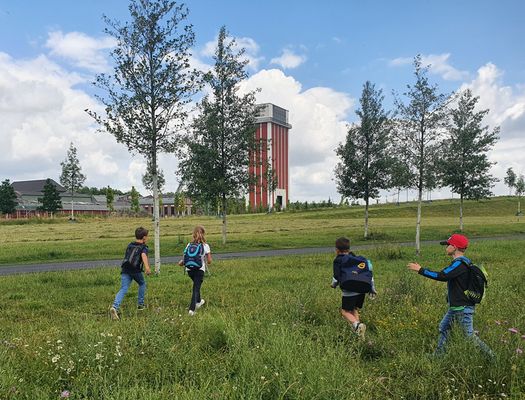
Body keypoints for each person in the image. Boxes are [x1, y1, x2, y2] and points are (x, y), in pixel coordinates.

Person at [407, 233, 493, 357]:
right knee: (444, 327)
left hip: (462, 307)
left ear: (454, 247)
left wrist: (420, 270)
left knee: (469, 336)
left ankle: (492, 357)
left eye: (448, 245)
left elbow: (442, 276)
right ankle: (439, 355)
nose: (446, 247)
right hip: (456, 307)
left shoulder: (459, 264)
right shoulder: (464, 263)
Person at [331, 237, 376, 339]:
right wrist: (372, 288)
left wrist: (333, 285)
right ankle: (359, 333)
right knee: (354, 309)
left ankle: (357, 325)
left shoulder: (338, 260)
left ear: (337, 250)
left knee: (345, 311)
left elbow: (336, 276)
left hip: (349, 290)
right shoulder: (356, 258)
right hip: (361, 290)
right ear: (349, 249)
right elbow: (369, 272)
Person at [109, 227, 151, 320]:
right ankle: (140, 304)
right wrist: (147, 267)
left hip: (125, 269)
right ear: (144, 237)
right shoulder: (143, 247)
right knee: (142, 283)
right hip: (135, 270)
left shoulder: (130, 244)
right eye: (147, 237)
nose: (147, 238)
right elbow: (143, 255)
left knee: (123, 288)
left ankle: (114, 306)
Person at [178, 225, 212, 316]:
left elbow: (185, 257)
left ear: (193, 234)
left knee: (196, 285)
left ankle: (198, 301)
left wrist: (181, 263)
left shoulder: (189, 245)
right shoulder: (205, 246)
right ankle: (192, 310)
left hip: (189, 270)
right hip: (200, 270)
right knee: (196, 288)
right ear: (203, 234)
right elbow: (209, 261)